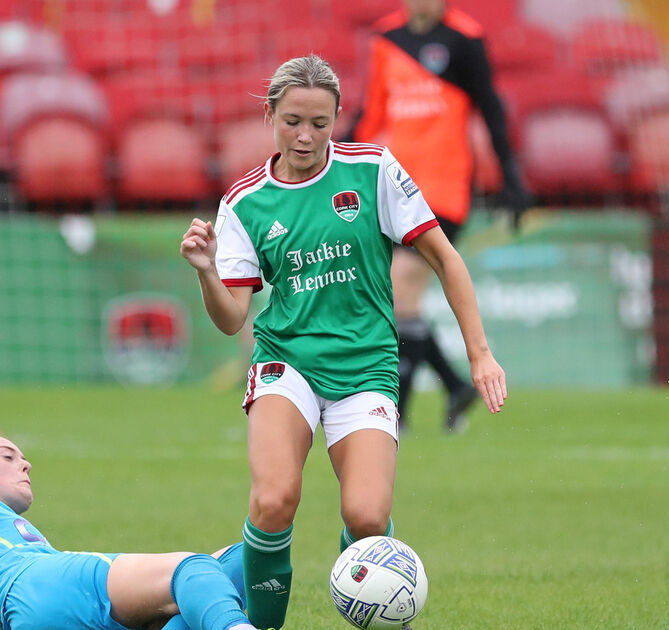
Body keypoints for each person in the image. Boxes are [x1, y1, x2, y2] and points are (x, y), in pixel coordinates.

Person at [179, 55, 506, 630]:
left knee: (367, 518)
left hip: (366, 366)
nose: (306, 136)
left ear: (337, 120)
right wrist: (207, 271)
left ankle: (366, 589)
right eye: (293, 122)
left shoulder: (373, 171)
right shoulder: (245, 202)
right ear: (270, 116)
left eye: (320, 123)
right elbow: (232, 319)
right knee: (274, 500)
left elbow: (446, 259)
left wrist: (479, 354)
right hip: (287, 364)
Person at [0, 392, 257, 630]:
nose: (25, 464)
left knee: (241, 561)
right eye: (7, 456)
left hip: (34, 611)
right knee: (190, 569)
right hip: (51, 583)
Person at [345, 0, 531, 433]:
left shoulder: (466, 38)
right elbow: (372, 113)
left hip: (445, 188)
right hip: (393, 188)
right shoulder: (386, 38)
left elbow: (490, 108)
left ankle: (397, 413)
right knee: (397, 299)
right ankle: (453, 386)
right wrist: (337, 161)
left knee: (399, 289)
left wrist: (511, 177)